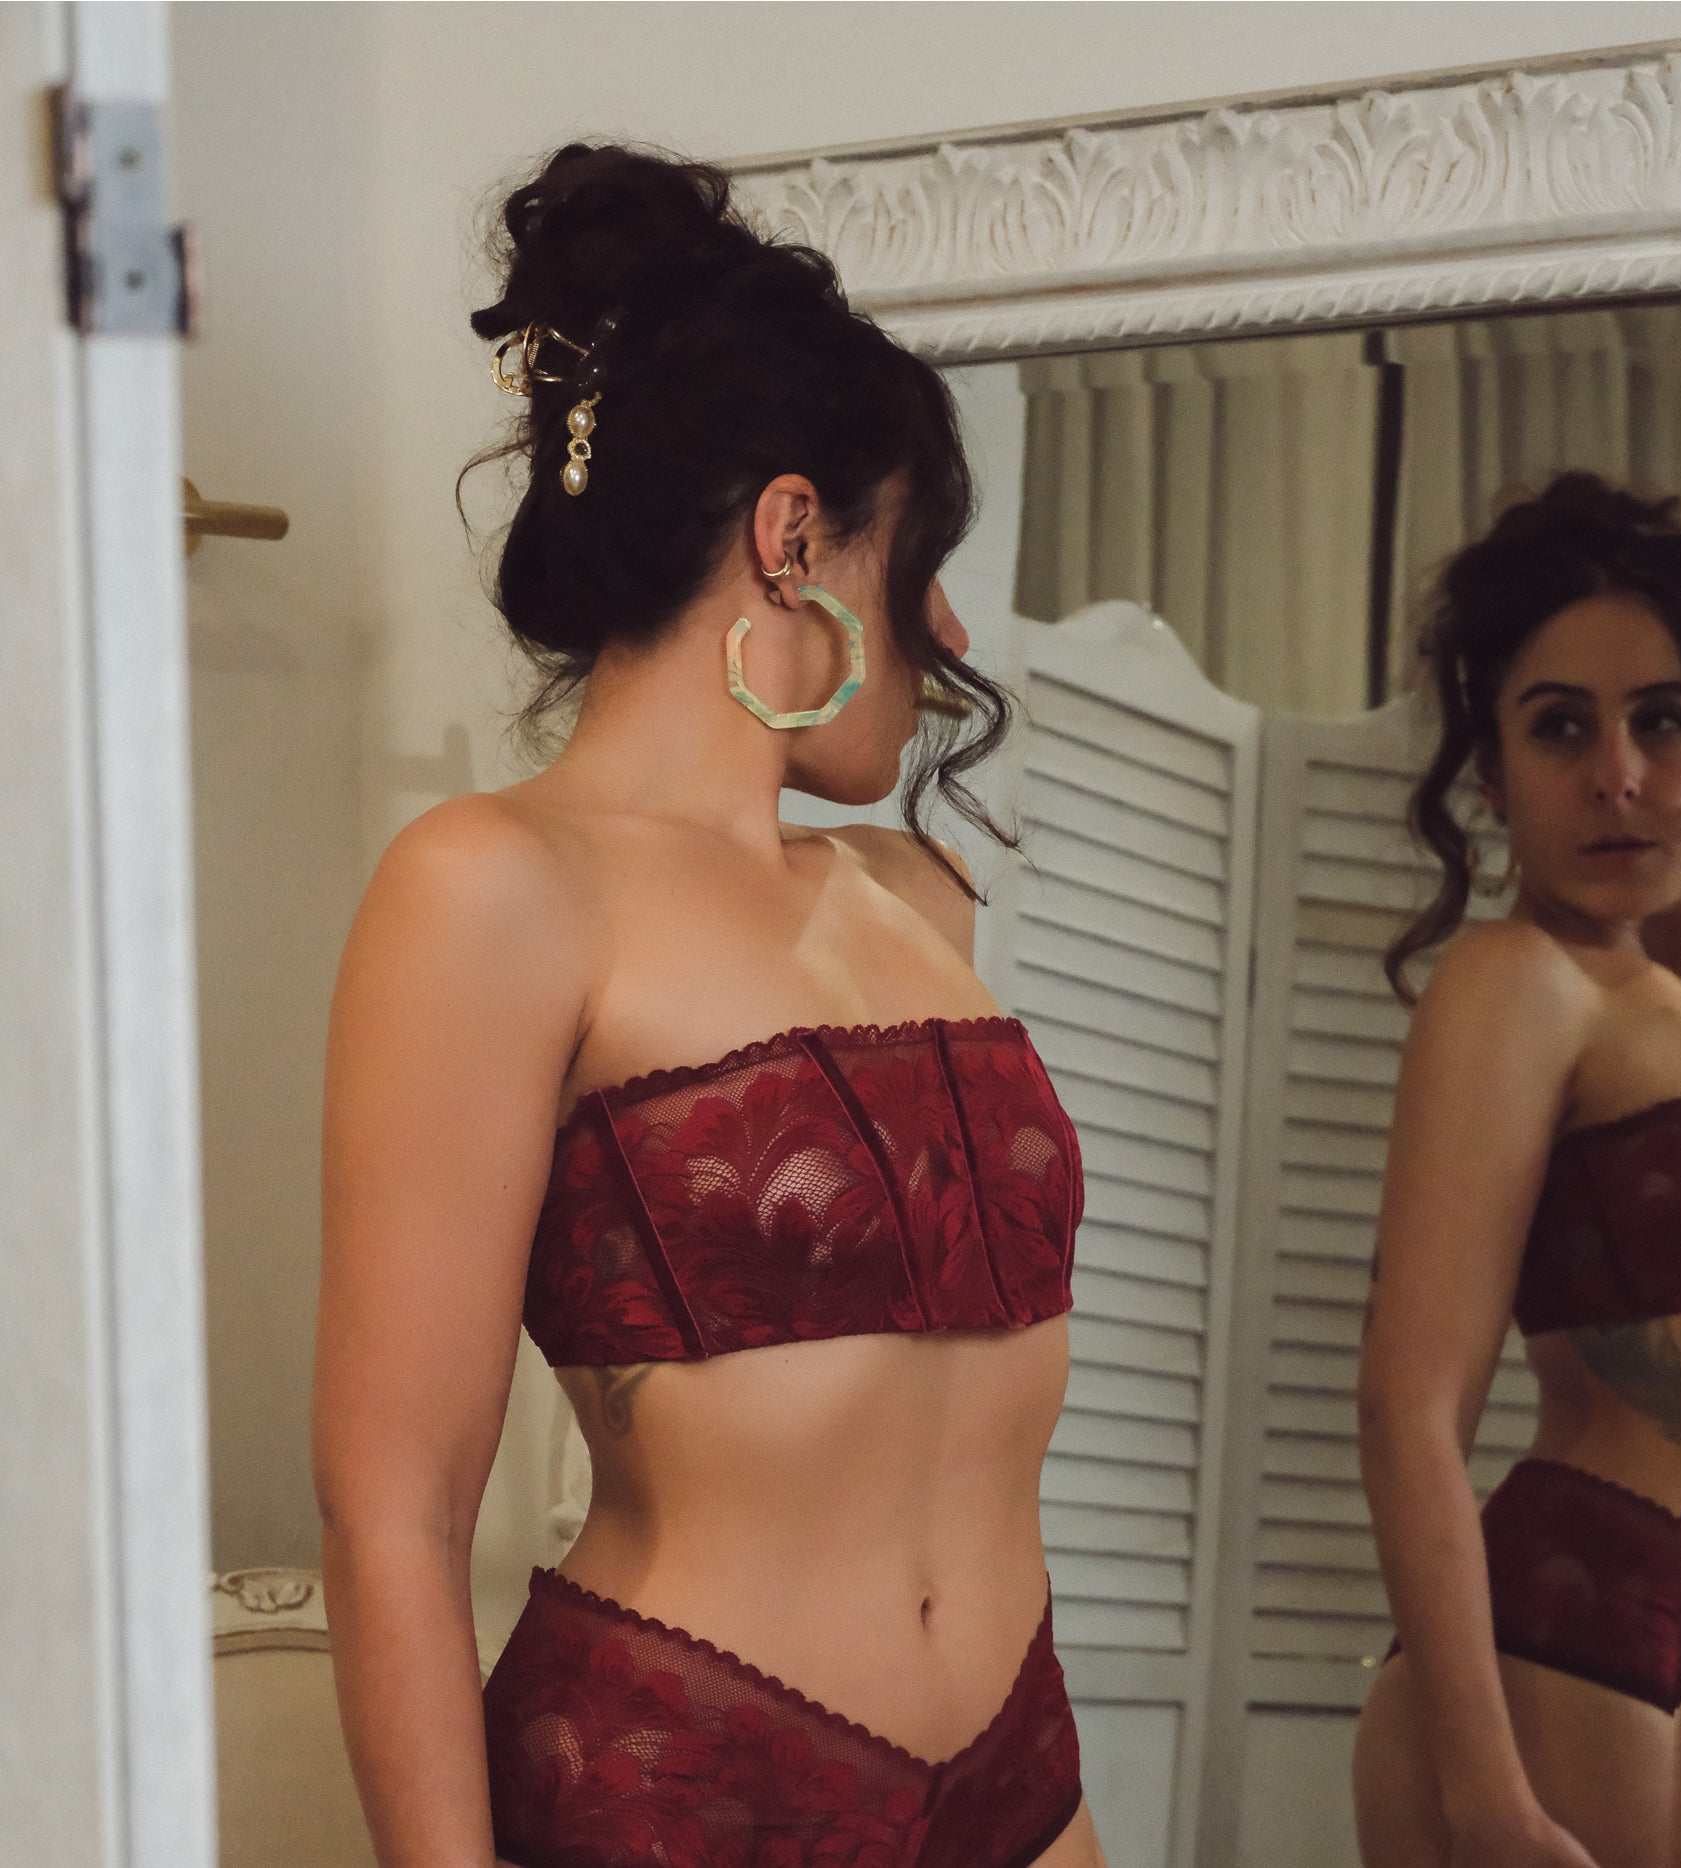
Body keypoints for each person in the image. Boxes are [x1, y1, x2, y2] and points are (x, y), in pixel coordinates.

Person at [312, 142, 1103, 1868]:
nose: (951, 621)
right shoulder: (491, 887)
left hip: (1024, 1774)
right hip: (690, 1782)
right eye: (928, 557)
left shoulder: (913, 895)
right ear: (794, 536)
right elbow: (396, 1506)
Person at [1352, 475, 1681, 1868]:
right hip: (1564, 1626)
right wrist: (1483, 1794)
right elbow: (1409, 1408)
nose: (1620, 775)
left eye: (1663, 721)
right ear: (1493, 773)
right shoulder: (1516, 984)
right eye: (1561, 726)